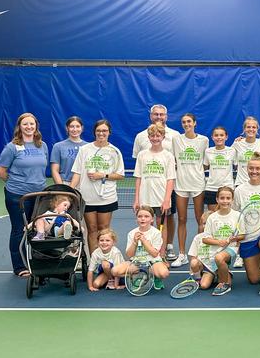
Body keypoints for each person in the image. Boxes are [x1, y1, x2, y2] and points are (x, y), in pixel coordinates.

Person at [0, 112, 49, 277]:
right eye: (25, 124)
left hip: (39, 195)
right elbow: (1, 171)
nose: (29, 127)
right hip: (17, 196)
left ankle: (37, 261)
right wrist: (16, 185)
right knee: (19, 230)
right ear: (19, 127)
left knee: (39, 229)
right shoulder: (12, 147)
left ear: (36, 126)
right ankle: (19, 267)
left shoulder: (42, 145)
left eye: (32, 124)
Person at [132, 104, 180, 261]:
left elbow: (170, 179)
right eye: (152, 136)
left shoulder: (168, 156)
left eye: (158, 136)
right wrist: (137, 199)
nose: (155, 138)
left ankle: (162, 253)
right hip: (145, 198)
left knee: (162, 226)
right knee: (145, 225)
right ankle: (147, 253)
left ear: (163, 137)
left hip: (162, 198)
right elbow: (138, 177)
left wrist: (167, 199)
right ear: (148, 137)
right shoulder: (142, 155)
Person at [70, 119, 125, 253]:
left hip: (107, 197)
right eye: (98, 130)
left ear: (109, 132)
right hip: (87, 197)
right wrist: (69, 192)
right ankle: (94, 260)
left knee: (104, 229)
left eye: (104, 130)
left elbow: (120, 175)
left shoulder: (115, 151)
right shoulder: (84, 150)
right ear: (94, 132)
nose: (101, 133)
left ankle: (105, 259)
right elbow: (77, 172)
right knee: (92, 229)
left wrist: (103, 175)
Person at [233, 153, 260, 296]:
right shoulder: (239, 190)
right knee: (253, 279)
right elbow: (234, 214)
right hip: (248, 236)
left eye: (258, 168)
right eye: (251, 168)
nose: (254, 171)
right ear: (247, 169)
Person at [171, 113, 209, 268]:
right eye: (184, 122)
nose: (186, 124)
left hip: (198, 184)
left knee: (200, 219)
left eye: (189, 122)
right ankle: (182, 254)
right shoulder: (176, 140)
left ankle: (200, 253)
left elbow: (206, 163)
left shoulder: (204, 140)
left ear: (195, 123)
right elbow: (174, 160)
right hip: (181, 185)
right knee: (181, 219)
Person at [113, 206, 170, 290]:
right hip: (136, 262)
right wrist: (134, 242)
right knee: (115, 271)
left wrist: (144, 241)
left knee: (163, 273)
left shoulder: (156, 233)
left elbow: (154, 254)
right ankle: (139, 274)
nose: (143, 219)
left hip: (152, 262)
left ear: (152, 219)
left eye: (146, 216)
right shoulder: (131, 233)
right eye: (140, 216)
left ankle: (155, 277)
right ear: (136, 219)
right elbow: (129, 255)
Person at [203, 187, 244, 296]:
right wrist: (219, 242)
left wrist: (235, 238)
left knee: (219, 258)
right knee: (204, 285)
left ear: (232, 200)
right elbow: (205, 239)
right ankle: (224, 275)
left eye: (228, 198)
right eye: (222, 198)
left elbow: (242, 235)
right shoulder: (212, 217)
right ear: (217, 199)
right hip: (215, 250)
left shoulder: (238, 216)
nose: (225, 201)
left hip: (232, 249)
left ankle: (223, 283)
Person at [204, 126, 236, 210]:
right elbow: (205, 166)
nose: (219, 137)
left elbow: (237, 167)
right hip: (211, 188)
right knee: (213, 217)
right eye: (216, 135)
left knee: (227, 217)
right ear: (212, 137)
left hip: (228, 188)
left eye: (221, 135)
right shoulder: (208, 151)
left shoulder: (232, 151)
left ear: (226, 137)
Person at [50, 116, 87, 185]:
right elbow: (54, 170)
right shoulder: (58, 146)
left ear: (82, 128)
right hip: (64, 183)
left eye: (77, 126)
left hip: (83, 184)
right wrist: (62, 188)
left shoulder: (88, 147)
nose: (75, 129)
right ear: (67, 128)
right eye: (72, 126)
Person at [233, 116, 260, 187]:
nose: (251, 129)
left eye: (254, 127)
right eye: (248, 127)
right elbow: (230, 160)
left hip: (259, 184)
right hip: (241, 183)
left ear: (257, 129)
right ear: (244, 129)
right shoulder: (237, 143)